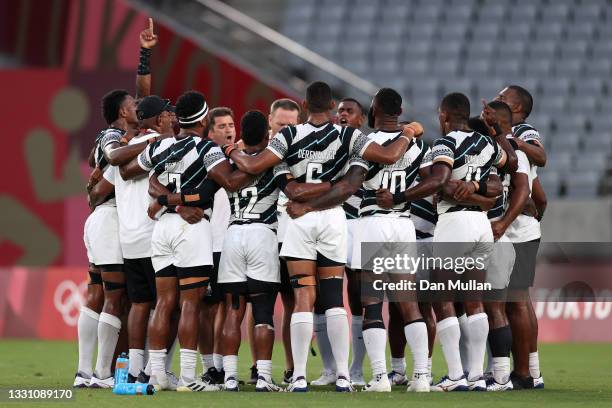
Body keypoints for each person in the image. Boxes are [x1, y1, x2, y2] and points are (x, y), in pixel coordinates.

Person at [226, 81, 420, 392]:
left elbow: (252, 164)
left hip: (298, 218)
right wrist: (408, 133)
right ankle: (344, 375)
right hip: (332, 218)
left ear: (303, 106)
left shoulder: (288, 135)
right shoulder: (348, 135)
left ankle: (299, 376)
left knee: (304, 297)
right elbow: (387, 155)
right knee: (334, 300)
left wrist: (230, 150)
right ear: (331, 107)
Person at [312, 97, 367, 387]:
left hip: (358, 225)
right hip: (329, 222)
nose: (343, 115)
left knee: (358, 295)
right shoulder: (325, 141)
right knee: (324, 295)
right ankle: (330, 369)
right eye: (340, 111)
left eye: (350, 111)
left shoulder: (365, 146)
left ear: (361, 120)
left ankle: (356, 369)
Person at [496, 85, 546, 389]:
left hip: (513, 230)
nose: (496, 101)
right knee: (519, 301)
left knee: (514, 301)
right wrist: (536, 215)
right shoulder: (504, 138)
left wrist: (513, 220)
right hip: (522, 228)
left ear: (516, 109)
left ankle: (524, 373)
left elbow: (541, 158)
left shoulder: (522, 133)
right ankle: (532, 370)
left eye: (502, 99)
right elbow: (540, 196)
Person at [200, 107, 235, 385]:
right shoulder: (204, 158)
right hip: (210, 243)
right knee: (207, 308)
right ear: (210, 132)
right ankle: (209, 366)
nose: (228, 129)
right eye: (221, 126)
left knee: (229, 306)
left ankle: (224, 367)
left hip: (234, 243)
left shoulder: (242, 157)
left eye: (231, 124)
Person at [267, 98, 301, 384]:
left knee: (293, 304)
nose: (286, 130)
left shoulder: (304, 155)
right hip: (261, 239)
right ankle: (257, 368)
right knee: (257, 305)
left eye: (292, 125)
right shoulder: (250, 151)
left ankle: (292, 367)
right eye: (281, 124)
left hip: (292, 238)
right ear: (270, 122)